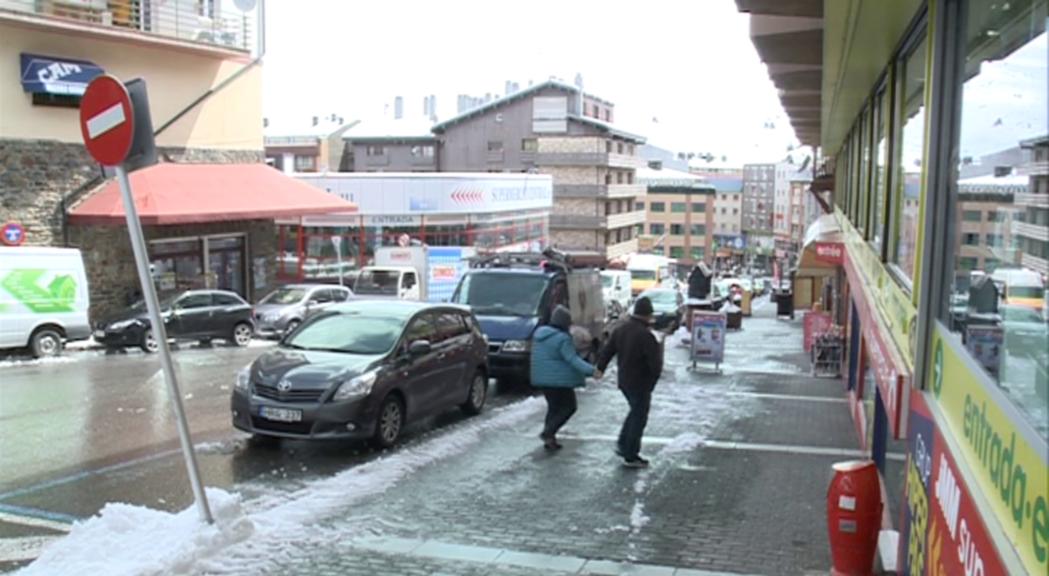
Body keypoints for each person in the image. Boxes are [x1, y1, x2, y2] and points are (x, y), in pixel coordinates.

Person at [596, 296, 664, 468]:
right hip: (641, 382)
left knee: (635, 412)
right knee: (639, 416)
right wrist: (653, 382)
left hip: (625, 380)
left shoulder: (621, 330)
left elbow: (608, 350)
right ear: (648, 315)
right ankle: (630, 453)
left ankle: (624, 445)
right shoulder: (646, 336)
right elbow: (655, 364)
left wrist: (600, 368)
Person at [530, 305, 601, 451]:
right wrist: (592, 371)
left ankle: (550, 438)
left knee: (554, 407)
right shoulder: (562, 339)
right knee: (569, 407)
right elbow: (572, 359)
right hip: (558, 380)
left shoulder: (540, 334)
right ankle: (548, 432)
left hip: (542, 378)